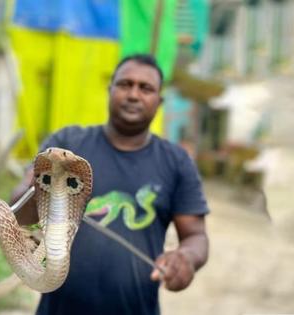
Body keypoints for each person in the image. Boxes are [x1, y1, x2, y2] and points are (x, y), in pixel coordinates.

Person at [12, 54, 209, 315]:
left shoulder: (176, 162)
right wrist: (30, 197)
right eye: (125, 84)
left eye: (145, 88)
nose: (134, 95)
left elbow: (196, 236)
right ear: (110, 90)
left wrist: (186, 259)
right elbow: (20, 206)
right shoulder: (67, 143)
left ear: (159, 101)